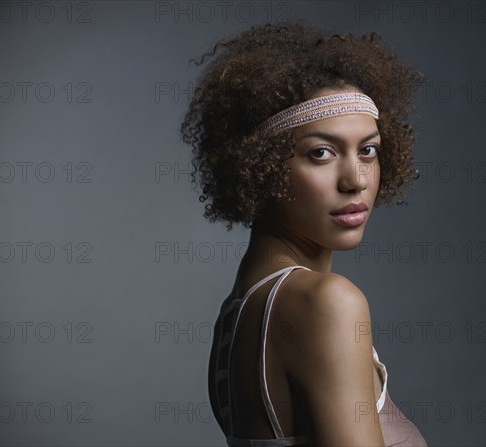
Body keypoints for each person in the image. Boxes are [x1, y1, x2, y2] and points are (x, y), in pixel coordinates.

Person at [181, 21, 427, 447]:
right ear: (260, 166)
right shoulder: (326, 302)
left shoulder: (239, 311)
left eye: (368, 149)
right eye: (321, 153)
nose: (356, 180)